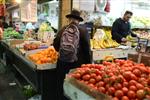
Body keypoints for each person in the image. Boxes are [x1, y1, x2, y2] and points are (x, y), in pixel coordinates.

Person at [53, 10, 91, 100]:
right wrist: (88, 64)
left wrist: (64, 52)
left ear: (69, 19)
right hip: (76, 65)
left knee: (61, 86)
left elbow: (55, 46)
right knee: (74, 89)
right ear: (78, 20)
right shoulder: (83, 30)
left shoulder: (62, 29)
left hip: (62, 64)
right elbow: (87, 50)